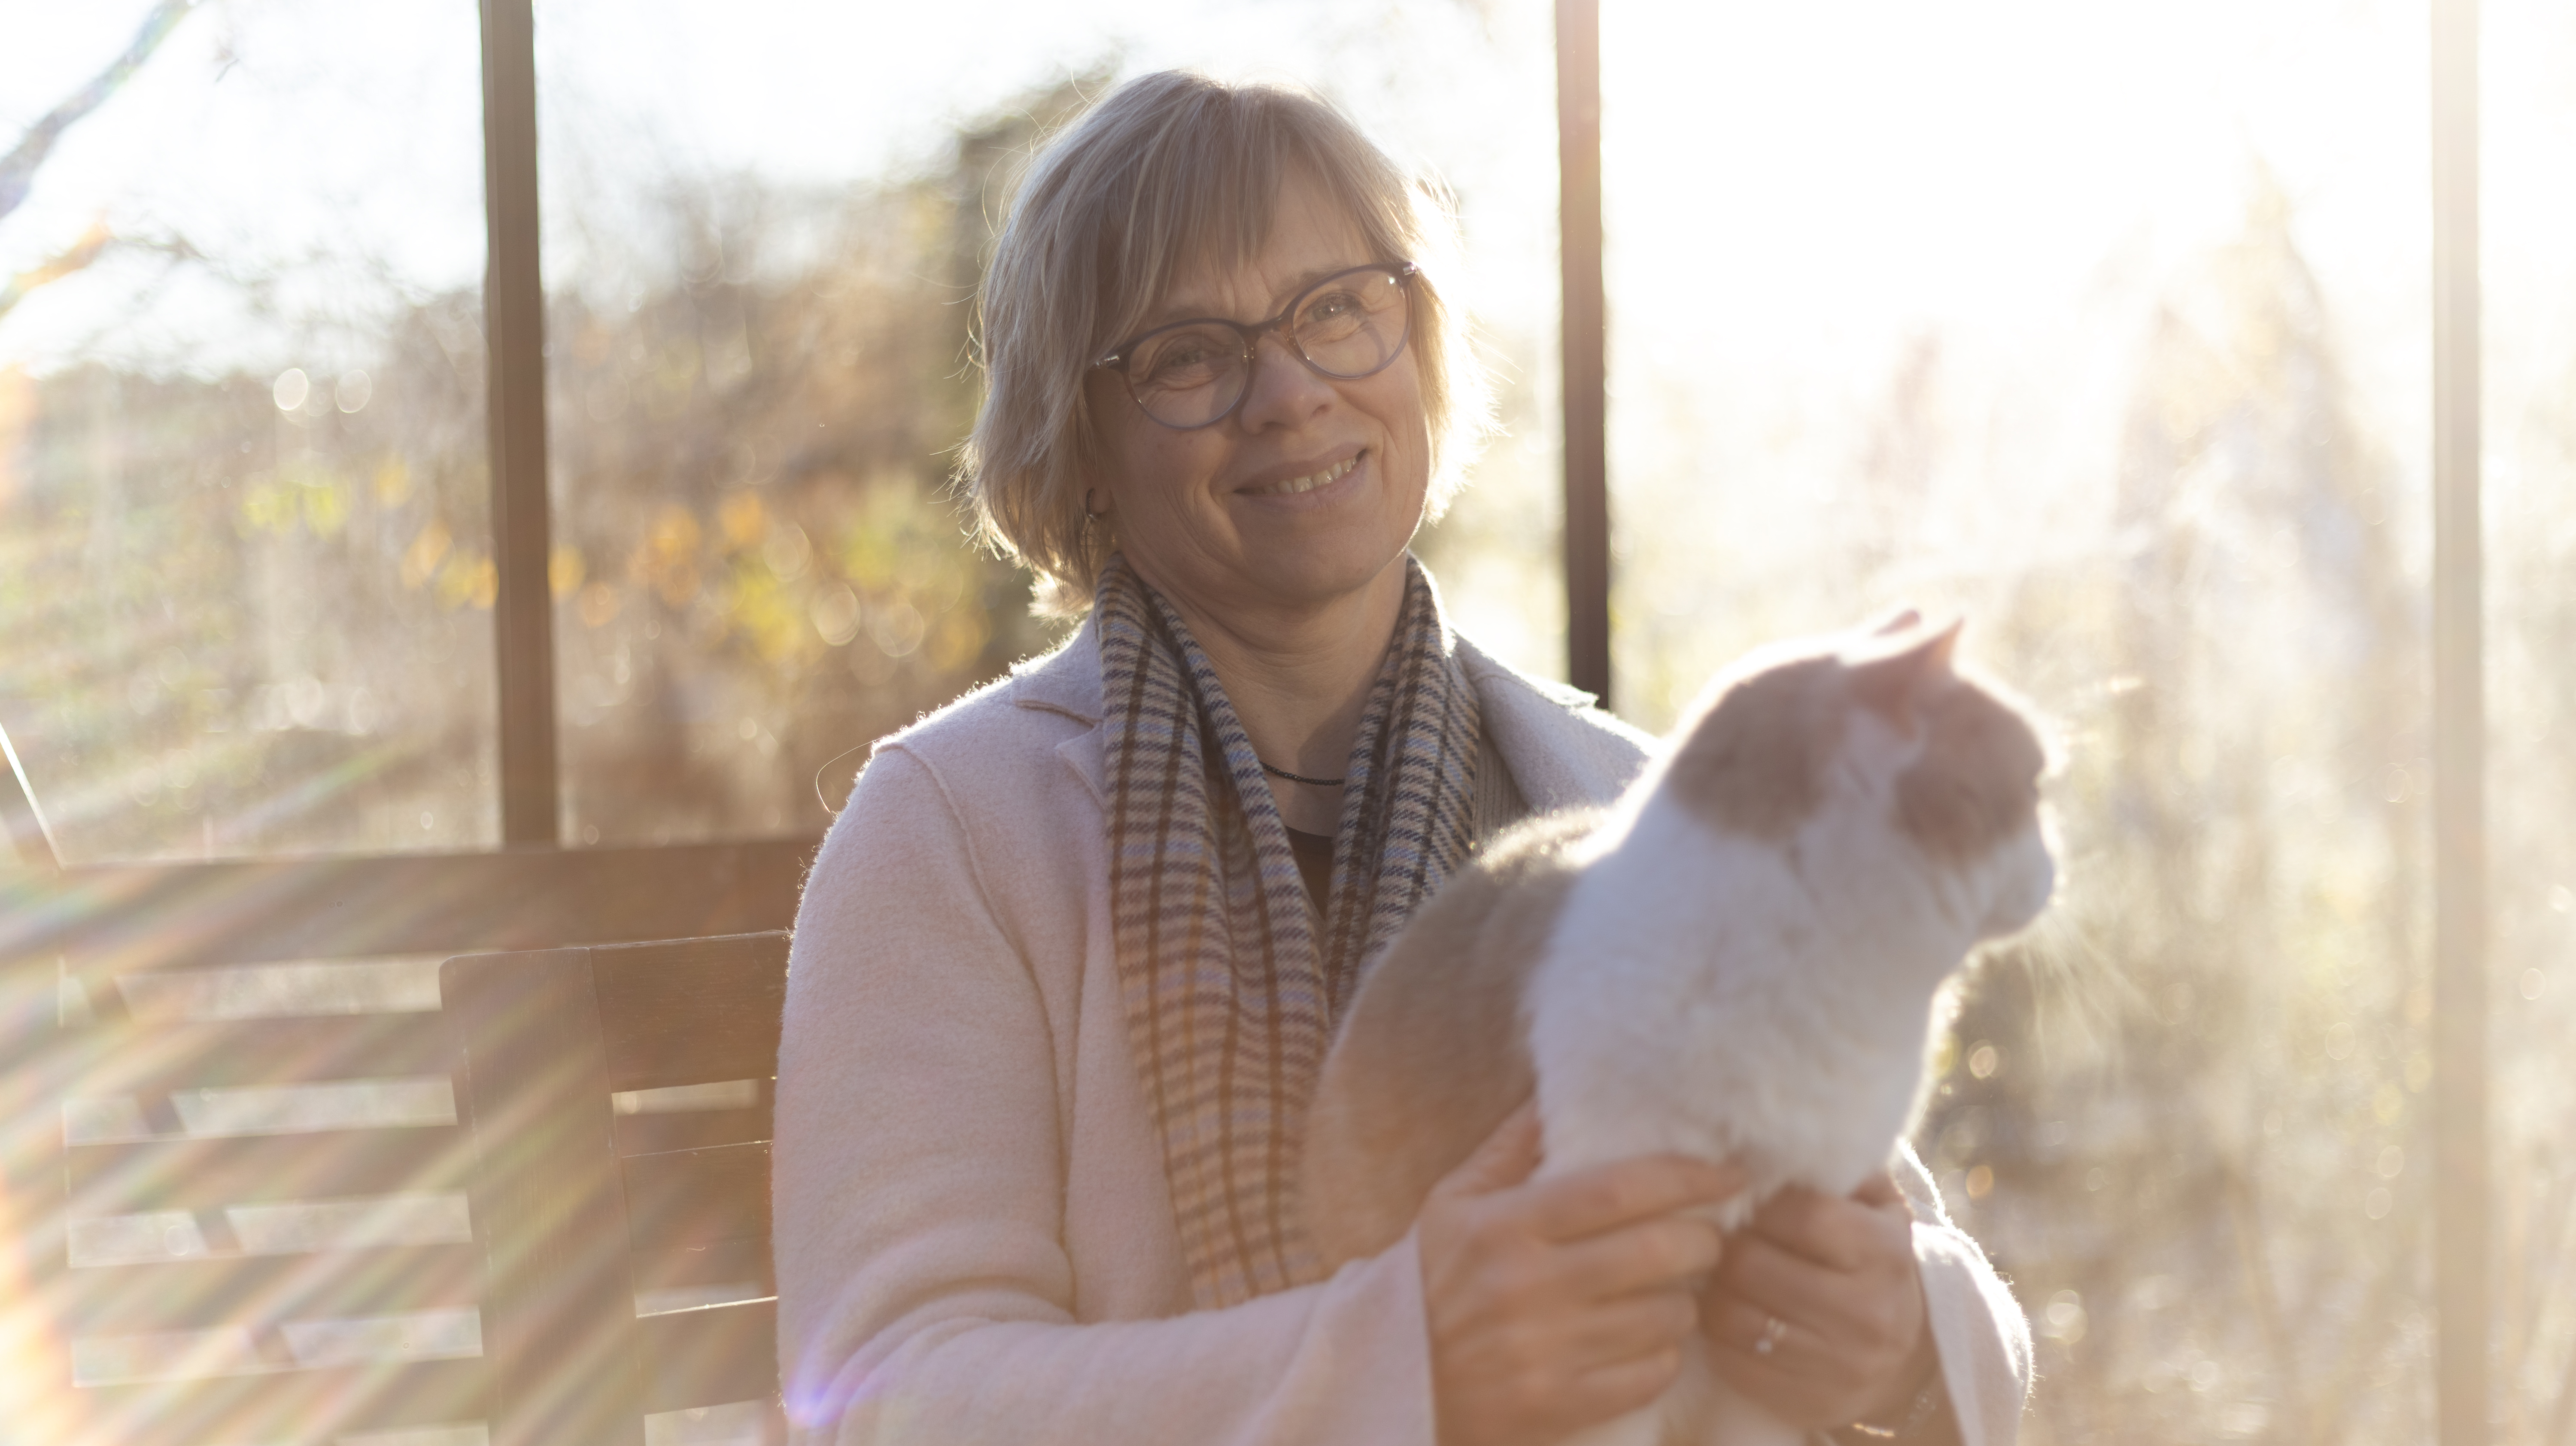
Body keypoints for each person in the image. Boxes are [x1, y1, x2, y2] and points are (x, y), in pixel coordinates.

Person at [772, 70, 2031, 1446]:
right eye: (1188, 353)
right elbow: (890, 1395)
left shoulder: (1622, 789)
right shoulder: (951, 833)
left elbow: (1910, 1242)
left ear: (1420, 349)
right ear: (1079, 446)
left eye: (1339, 310)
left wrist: (1905, 1337)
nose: (1290, 392)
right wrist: (1408, 1358)